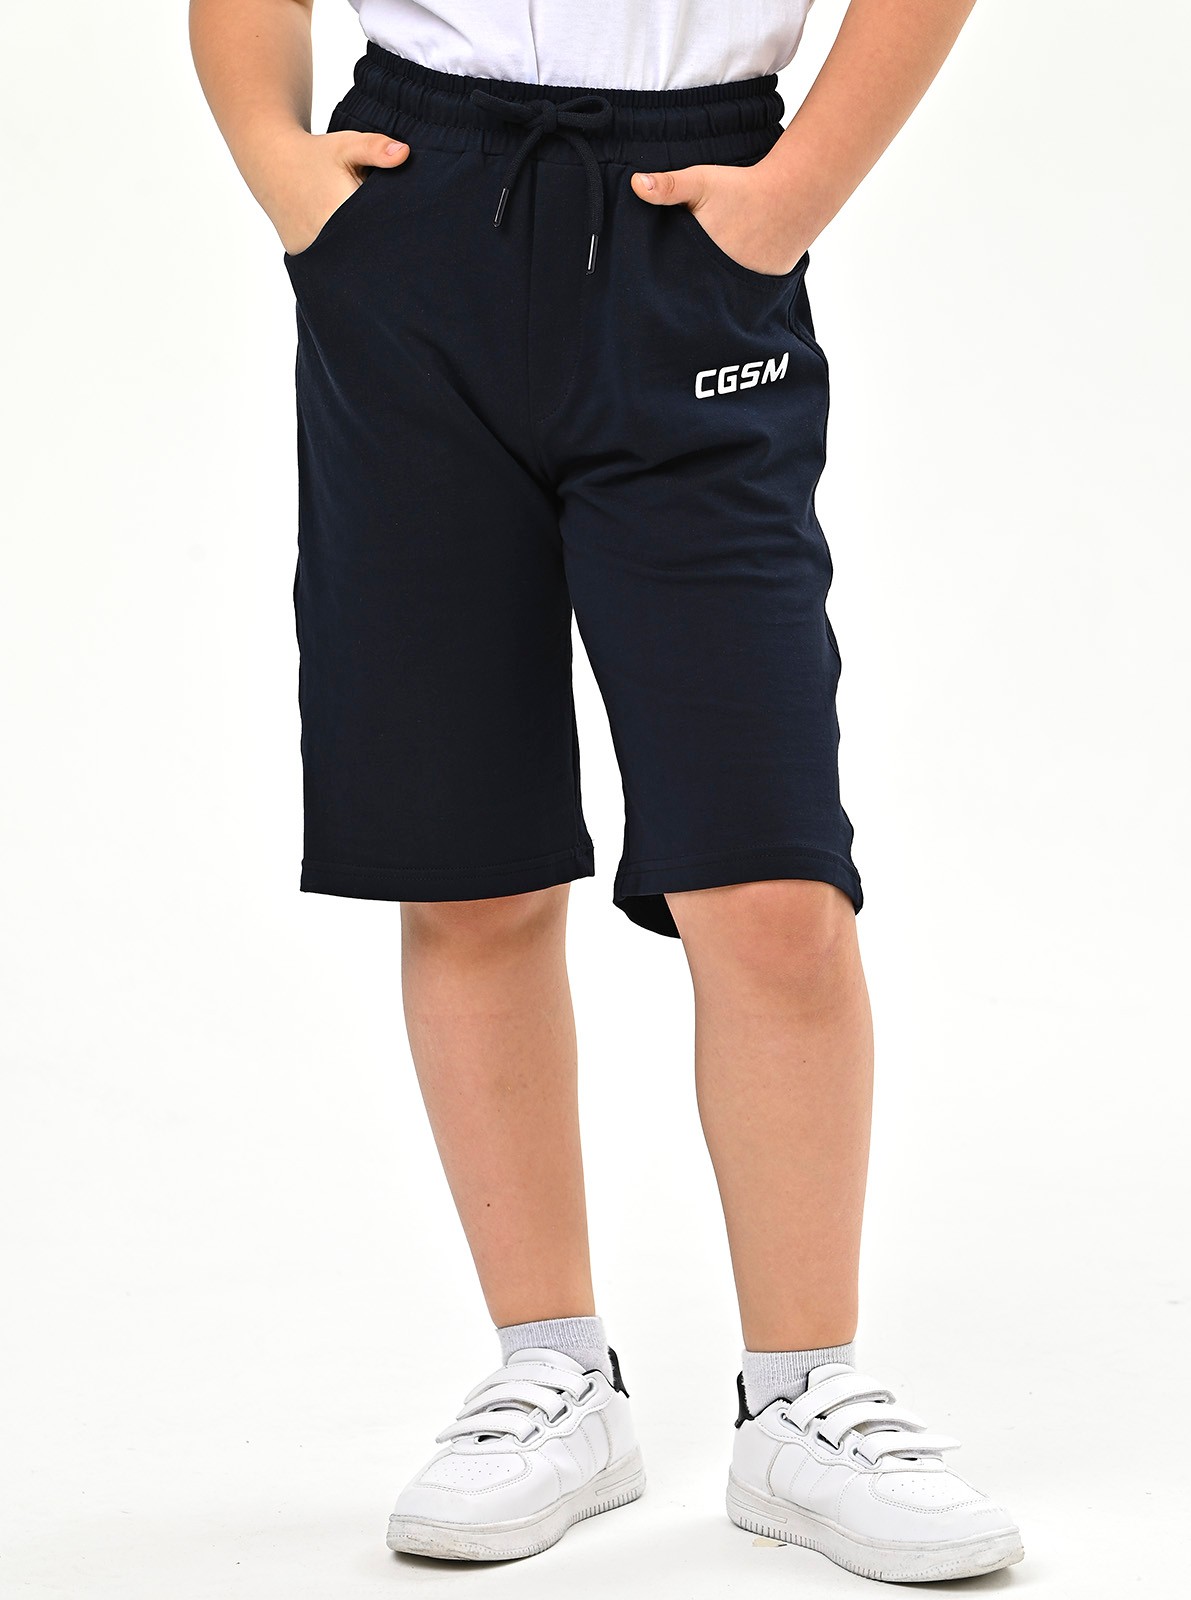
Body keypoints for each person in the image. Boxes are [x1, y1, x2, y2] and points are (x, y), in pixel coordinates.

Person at [190, 0, 1022, 1581]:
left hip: (693, 225)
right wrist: (280, 167)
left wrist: (792, 197)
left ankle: (802, 1399)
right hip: (414, 225)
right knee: (470, 873)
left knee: (772, 884)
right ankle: (552, 1375)